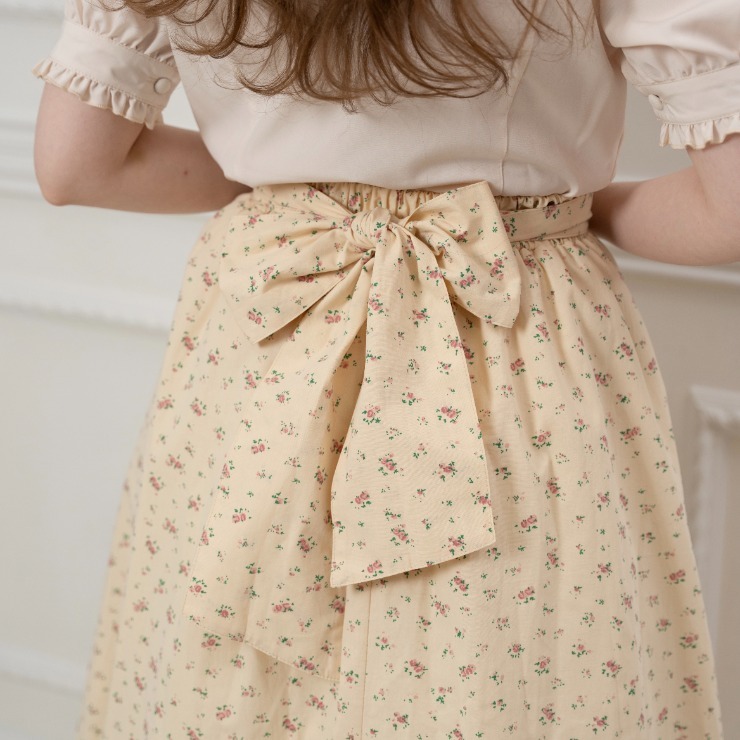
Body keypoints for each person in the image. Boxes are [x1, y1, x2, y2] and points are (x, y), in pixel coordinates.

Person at [33, 0, 738, 736]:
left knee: (235, 686)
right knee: (509, 677)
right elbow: (730, 207)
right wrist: (573, 213)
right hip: (510, 327)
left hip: (273, 321)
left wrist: (291, 178)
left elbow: (76, 165)